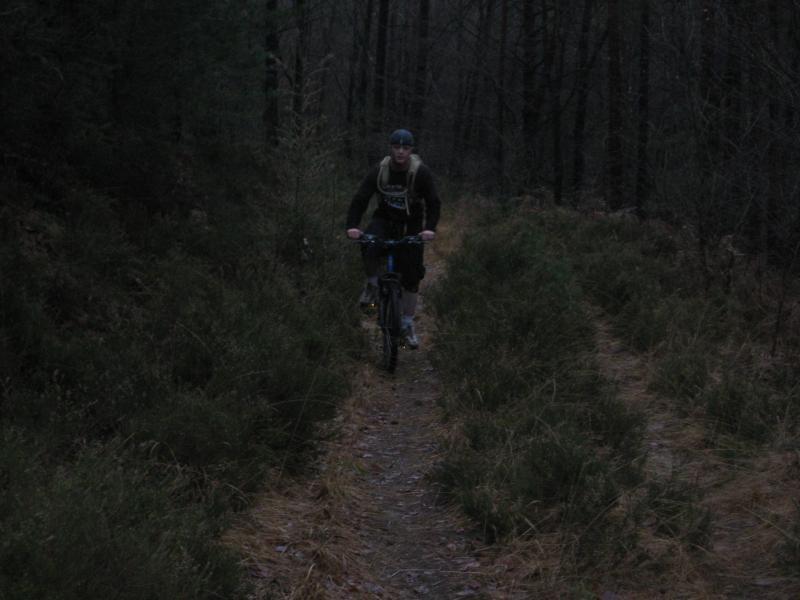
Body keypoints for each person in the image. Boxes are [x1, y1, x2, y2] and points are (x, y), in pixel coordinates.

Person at [345, 129, 441, 349]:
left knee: (412, 275)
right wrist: (352, 226)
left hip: (411, 224)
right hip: (384, 219)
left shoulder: (421, 172)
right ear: (391, 148)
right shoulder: (380, 171)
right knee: (368, 242)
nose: (400, 152)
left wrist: (429, 229)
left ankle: (407, 324)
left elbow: (434, 202)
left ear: (411, 150)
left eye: (405, 148)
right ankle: (372, 285)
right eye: (396, 147)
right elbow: (360, 199)